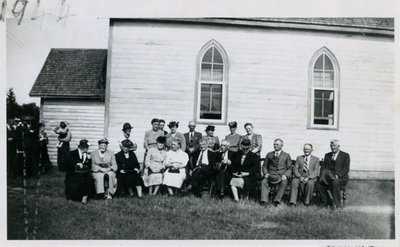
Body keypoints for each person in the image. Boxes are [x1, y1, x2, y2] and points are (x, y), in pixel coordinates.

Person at [315, 140, 350, 209]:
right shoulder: (327, 155)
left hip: (341, 177)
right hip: (328, 177)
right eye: (331, 146)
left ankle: (336, 205)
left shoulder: (345, 155)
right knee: (318, 184)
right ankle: (328, 202)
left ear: (338, 146)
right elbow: (324, 167)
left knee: (335, 182)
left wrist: (338, 175)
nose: (332, 147)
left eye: (334, 145)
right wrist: (322, 176)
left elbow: (346, 169)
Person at [260, 139, 292, 206]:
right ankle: (264, 201)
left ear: (282, 145)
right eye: (274, 144)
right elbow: (264, 166)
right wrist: (266, 173)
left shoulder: (286, 155)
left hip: (281, 175)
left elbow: (289, 168)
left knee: (284, 182)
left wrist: (285, 175)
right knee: (264, 181)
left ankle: (277, 201)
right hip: (270, 175)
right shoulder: (269, 154)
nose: (275, 146)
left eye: (277, 144)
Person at [65, 139, 92, 204]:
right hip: (73, 172)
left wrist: (88, 160)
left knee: (88, 178)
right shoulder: (72, 153)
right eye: (84, 147)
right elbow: (67, 163)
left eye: (87, 147)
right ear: (80, 147)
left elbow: (89, 166)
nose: (86, 148)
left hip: (84, 172)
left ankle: (84, 196)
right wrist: (76, 163)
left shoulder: (88, 155)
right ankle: (71, 197)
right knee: (73, 180)